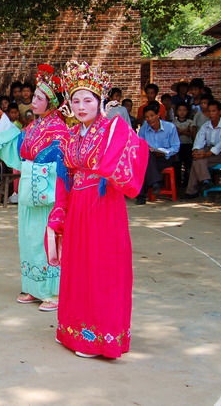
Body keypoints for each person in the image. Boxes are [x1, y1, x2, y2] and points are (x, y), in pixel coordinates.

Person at [48, 60, 148, 358]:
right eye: (76, 100)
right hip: (79, 206)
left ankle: (100, 335)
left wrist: (110, 162)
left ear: (100, 101)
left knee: (102, 266)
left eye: (88, 100)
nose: (81, 106)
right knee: (78, 266)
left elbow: (134, 154)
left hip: (104, 207)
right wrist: (59, 211)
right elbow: (64, 175)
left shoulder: (113, 129)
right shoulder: (72, 135)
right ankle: (74, 329)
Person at [0, 64, 69, 312]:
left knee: (48, 242)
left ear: (51, 102)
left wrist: (54, 188)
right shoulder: (33, 126)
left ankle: (53, 291)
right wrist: (2, 123)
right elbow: (17, 147)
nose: (33, 101)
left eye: (39, 98)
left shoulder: (60, 129)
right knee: (30, 239)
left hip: (49, 194)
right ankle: (34, 287)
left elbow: (65, 165)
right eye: (34, 97)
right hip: (28, 191)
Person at [135, 104, 180, 205]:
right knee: (146, 160)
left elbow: (176, 147)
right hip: (149, 157)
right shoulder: (144, 129)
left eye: (151, 116)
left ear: (158, 115)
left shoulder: (170, 127)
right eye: (146, 117)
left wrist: (163, 152)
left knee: (145, 165)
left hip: (166, 157)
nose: (149, 119)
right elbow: (139, 145)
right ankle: (155, 182)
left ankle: (141, 195)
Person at [185, 100, 221, 198]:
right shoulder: (206, 126)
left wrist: (204, 154)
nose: (211, 114)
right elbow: (199, 140)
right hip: (208, 152)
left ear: (220, 112)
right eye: (209, 111)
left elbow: (220, 145)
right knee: (197, 158)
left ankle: (192, 190)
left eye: (214, 111)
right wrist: (195, 151)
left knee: (197, 160)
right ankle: (205, 181)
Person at [172, 103, 196, 187]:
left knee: (188, 164)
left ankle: (187, 183)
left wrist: (180, 131)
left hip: (188, 145)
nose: (182, 112)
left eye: (184, 110)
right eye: (180, 110)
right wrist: (185, 131)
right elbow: (173, 134)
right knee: (177, 164)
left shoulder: (191, 122)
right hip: (177, 146)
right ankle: (177, 183)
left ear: (187, 111)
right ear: (176, 111)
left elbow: (192, 134)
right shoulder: (173, 122)